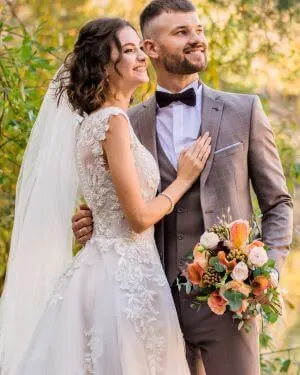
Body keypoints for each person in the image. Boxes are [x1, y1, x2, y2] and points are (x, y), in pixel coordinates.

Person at [73, 1, 293, 374]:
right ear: (150, 49)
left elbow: (279, 203)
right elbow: (121, 199)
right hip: (150, 301)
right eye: (182, 32)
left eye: (199, 30)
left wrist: (266, 272)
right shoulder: (125, 120)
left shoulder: (244, 111)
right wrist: (94, 220)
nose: (197, 40)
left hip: (227, 302)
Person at [0, 17, 214, 375]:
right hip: (126, 279)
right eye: (128, 50)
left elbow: (107, 202)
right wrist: (184, 178)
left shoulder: (92, 123)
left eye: (139, 48)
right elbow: (138, 218)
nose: (141, 57)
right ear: (103, 65)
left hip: (104, 268)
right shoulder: (113, 121)